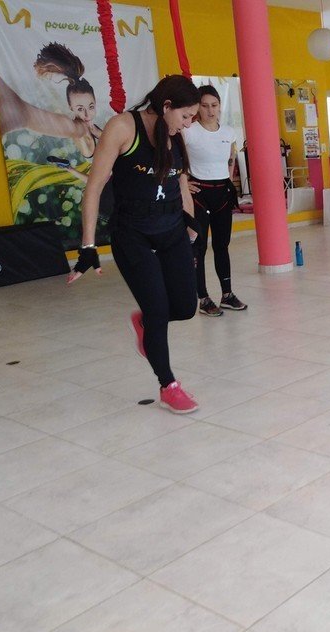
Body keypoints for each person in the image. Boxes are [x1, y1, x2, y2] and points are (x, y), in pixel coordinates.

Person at [68, 75, 202, 414]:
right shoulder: (123, 128)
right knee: (158, 310)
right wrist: (88, 246)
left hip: (171, 228)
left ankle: (145, 323)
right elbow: (94, 188)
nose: (188, 124)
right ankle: (168, 386)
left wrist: (190, 225)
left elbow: (180, 184)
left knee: (185, 307)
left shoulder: (174, 134)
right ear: (167, 106)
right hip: (132, 234)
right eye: (186, 116)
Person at [182, 85, 247, 316]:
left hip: (222, 194)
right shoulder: (189, 131)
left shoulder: (229, 132)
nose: (210, 110)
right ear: (197, 107)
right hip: (199, 195)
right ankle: (203, 298)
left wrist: (228, 181)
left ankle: (227, 294)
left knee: (222, 245)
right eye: (205, 105)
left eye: (214, 105)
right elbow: (175, 159)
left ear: (220, 106)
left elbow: (231, 159)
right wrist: (184, 183)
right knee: (198, 248)